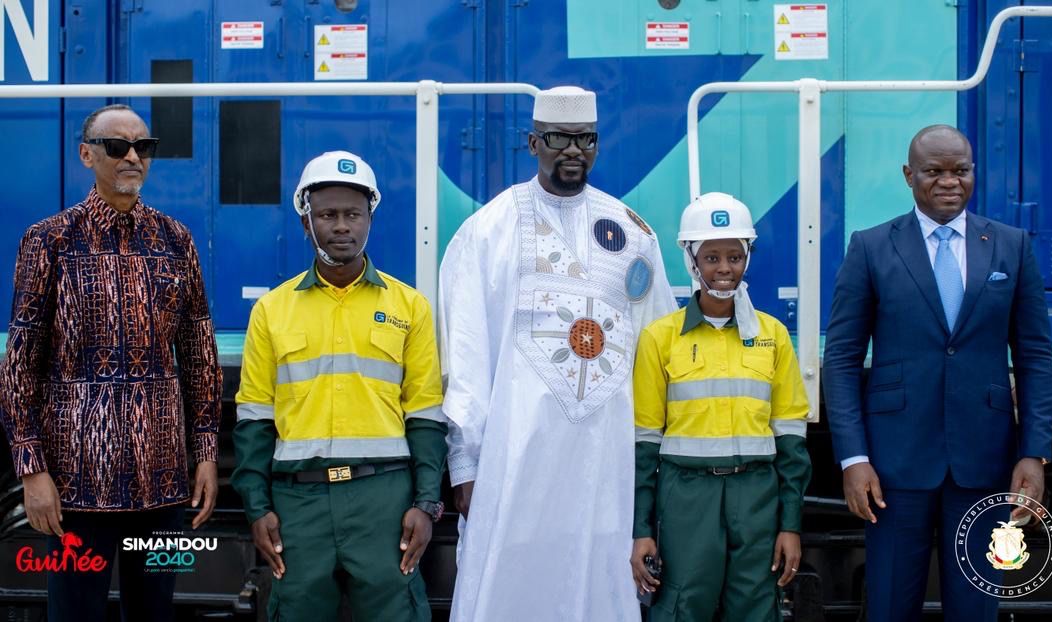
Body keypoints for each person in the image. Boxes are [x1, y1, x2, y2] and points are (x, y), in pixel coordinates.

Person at [438, 85, 676, 621]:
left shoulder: (633, 235)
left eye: (585, 139)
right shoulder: (489, 231)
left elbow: (657, 347)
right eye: (559, 139)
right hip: (514, 453)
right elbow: (467, 354)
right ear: (533, 142)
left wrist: (650, 461)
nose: (573, 150)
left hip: (605, 455)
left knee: (598, 577)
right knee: (509, 583)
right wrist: (465, 461)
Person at [823, 125, 1052, 621]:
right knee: (888, 607)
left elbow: (1035, 357)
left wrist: (1034, 453)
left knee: (976, 609)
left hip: (985, 462)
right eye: (934, 171)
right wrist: (852, 459)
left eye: (961, 170)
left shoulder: (1012, 247)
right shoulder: (870, 247)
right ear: (909, 176)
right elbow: (841, 360)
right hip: (891, 469)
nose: (950, 182)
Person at [0, 104, 222, 622]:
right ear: (86, 154)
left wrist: (207, 449)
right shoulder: (48, 241)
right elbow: (21, 366)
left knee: (155, 614)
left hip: (160, 483)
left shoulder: (175, 240)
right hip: (76, 488)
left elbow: (198, 351)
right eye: (117, 146)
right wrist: (32, 472)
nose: (132, 157)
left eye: (143, 147)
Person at [232, 150, 447, 621]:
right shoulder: (271, 310)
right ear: (307, 223)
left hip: (384, 502)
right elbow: (254, 418)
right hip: (298, 505)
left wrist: (426, 504)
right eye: (328, 215)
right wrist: (256, 507)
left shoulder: (410, 307)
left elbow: (426, 413)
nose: (342, 226)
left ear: (370, 218)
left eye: (354, 214)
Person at [629, 192, 811, 621]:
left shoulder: (774, 335)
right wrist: (641, 530)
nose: (724, 268)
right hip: (686, 499)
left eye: (735, 255)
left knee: (755, 608)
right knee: (681, 607)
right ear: (691, 261)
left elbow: (791, 439)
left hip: (756, 497)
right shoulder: (661, 338)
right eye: (711, 257)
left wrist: (790, 524)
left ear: (748, 256)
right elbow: (642, 443)